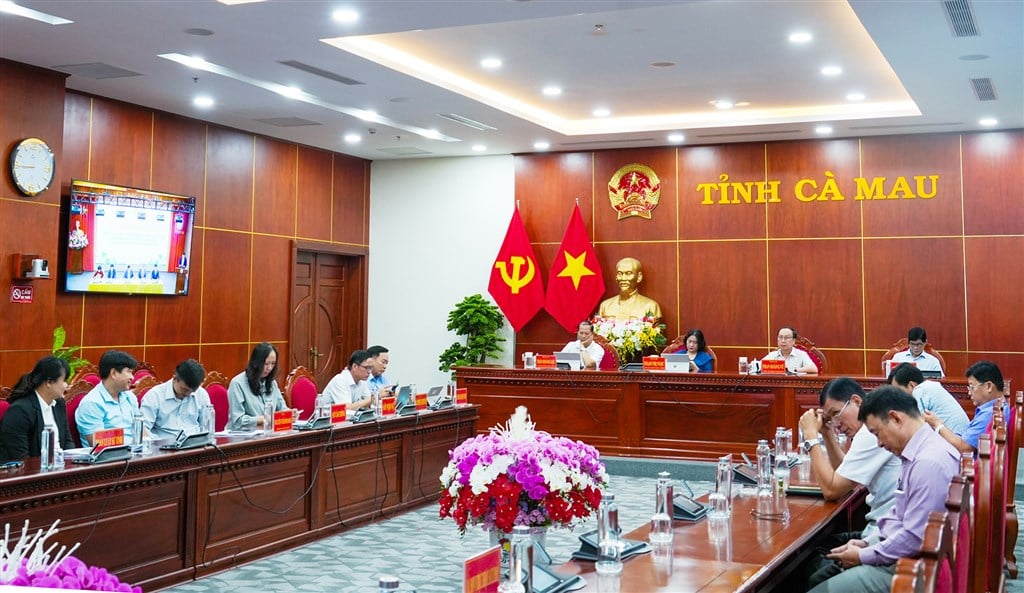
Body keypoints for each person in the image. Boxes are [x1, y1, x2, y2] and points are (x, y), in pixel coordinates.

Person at [807, 386, 960, 593]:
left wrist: (864, 555)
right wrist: (867, 543)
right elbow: (899, 516)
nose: (878, 443)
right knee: (819, 577)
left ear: (896, 418)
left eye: (877, 433)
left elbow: (915, 538)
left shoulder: (928, 463)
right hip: (906, 555)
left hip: (912, 569)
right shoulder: (918, 451)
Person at [798, 378, 901, 588]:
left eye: (836, 413)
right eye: (831, 418)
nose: (837, 424)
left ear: (856, 401)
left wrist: (810, 437)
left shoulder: (871, 433)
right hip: (880, 530)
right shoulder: (871, 428)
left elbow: (832, 490)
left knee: (808, 564)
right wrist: (827, 434)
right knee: (813, 551)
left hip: (884, 534)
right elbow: (844, 476)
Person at [0, 356, 76, 461]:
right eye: (64, 381)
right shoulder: (20, 411)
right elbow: (21, 459)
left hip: (59, 467)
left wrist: (70, 464)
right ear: (49, 382)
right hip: (31, 469)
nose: (67, 385)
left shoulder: (59, 404)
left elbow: (67, 441)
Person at [923, 360, 1007, 454]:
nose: (969, 393)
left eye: (972, 387)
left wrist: (937, 424)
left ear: (989, 386)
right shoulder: (998, 406)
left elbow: (964, 448)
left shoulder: (990, 413)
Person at [75, 350, 138, 447]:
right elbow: (99, 444)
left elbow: (141, 430)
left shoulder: (130, 397)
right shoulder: (92, 403)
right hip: (111, 455)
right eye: (129, 372)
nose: (132, 377)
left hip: (136, 452)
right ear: (113, 373)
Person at [887, 363, 968, 435]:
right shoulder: (929, 386)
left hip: (955, 439)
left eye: (898, 390)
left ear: (911, 385)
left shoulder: (920, 390)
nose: (897, 396)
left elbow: (915, 426)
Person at [140, 359, 211, 441]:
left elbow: (206, 427)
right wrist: (156, 443)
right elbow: (143, 428)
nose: (188, 394)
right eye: (184, 389)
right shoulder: (155, 396)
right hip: (164, 445)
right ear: (175, 379)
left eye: (192, 391)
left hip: (195, 443)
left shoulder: (201, 394)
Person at [227, 342, 288, 431]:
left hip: (268, 434)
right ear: (256, 362)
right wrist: (262, 419)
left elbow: (282, 408)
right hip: (242, 435)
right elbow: (237, 421)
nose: (269, 368)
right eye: (266, 363)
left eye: (273, 364)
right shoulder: (237, 383)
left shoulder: (272, 383)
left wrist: (290, 414)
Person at [597, 257, 662, 320]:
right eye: (620, 274)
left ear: (639, 277)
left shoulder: (650, 306)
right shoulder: (605, 306)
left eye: (628, 274)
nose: (623, 278)